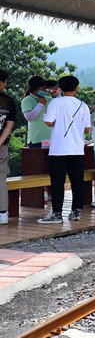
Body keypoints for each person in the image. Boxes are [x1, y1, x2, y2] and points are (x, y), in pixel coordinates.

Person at [38, 76, 91, 224]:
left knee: (57, 182)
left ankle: (57, 213)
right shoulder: (83, 105)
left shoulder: (55, 102)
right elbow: (87, 128)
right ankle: (75, 212)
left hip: (59, 149)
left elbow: (48, 122)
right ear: (76, 88)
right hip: (77, 149)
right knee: (77, 181)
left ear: (60, 88)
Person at [0, 70, 17, 226]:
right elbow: (9, 125)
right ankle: (2, 214)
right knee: (1, 180)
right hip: (1, 147)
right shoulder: (9, 101)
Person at [21, 76, 52, 148]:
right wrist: (40, 104)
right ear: (36, 87)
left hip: (51, 140)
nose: (45, 88)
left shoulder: (49, 99)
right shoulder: (27, 100)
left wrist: (56, 95)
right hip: (36, 141)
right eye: (43, 86)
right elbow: (29, 117)